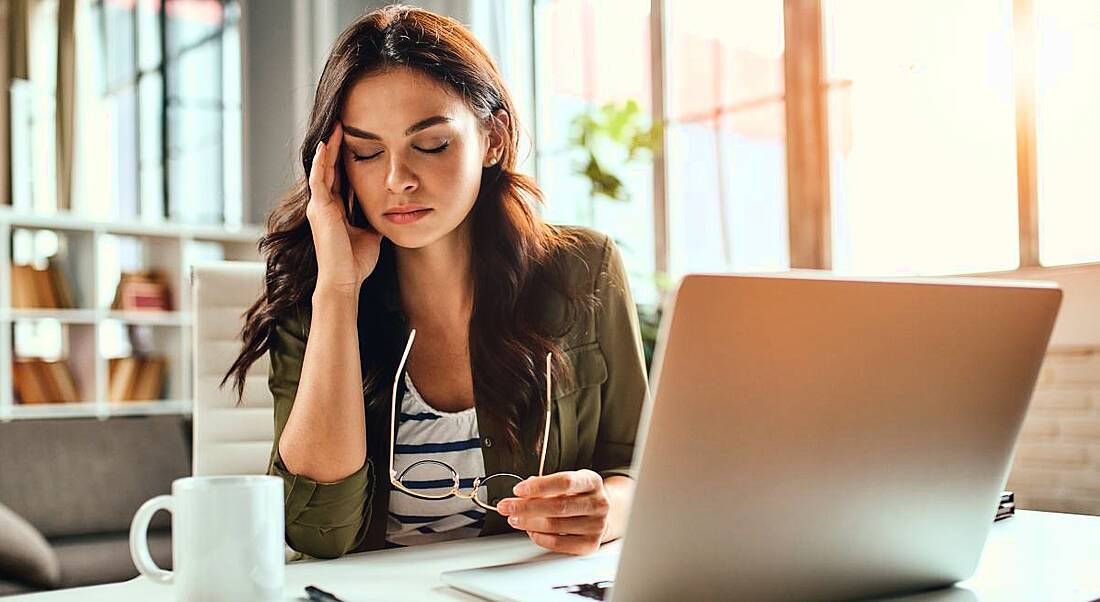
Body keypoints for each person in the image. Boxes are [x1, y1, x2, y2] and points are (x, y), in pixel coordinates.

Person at [224, 4, 647, 560]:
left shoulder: (584, 268)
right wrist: (337, 291)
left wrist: (606, 509)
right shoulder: (317, 292)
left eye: (431, 144)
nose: (397, 180)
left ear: (492, 138)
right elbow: (318, 531)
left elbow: (640, 466)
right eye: (366, 152)